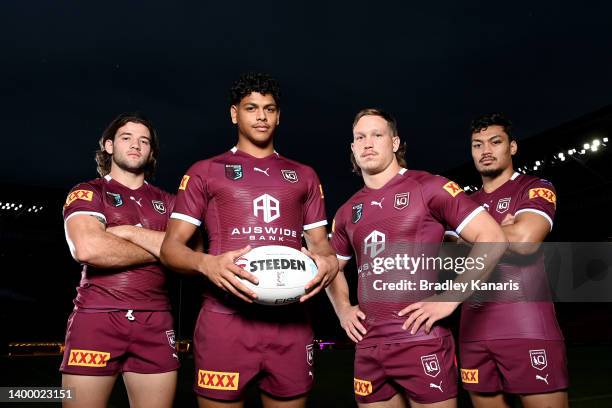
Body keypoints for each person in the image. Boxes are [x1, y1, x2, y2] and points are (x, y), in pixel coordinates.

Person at [160, 72, 338, 408]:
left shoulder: (304, 175)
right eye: (251, 108)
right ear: (234, 114)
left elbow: (320, 245)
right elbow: (171, 249)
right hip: (225, 322)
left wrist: (327, 260)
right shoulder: (205, 171)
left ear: (279, 115)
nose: (261, 116)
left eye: (269, 109)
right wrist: (206, 263)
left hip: (291, 324)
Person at [326, 108, 507, 407]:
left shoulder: (429, 187)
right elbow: (333, 269)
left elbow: (493, 238)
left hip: (421, 338)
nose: (367, 143)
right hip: (369, 345)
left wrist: (450, 298)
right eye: (360, 137)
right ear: (353, 148)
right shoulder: (346, 211)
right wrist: (343, 309)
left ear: (395, 143)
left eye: (377, 135)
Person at [61, 113, 179, 408]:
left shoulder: (170, 202)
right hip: (97, 318)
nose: (136, 145)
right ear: (110, 146)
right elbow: (89, 248)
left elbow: (192, 253)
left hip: (156, 319)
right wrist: (164, 248)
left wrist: (126, 232)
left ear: (151, 151)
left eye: (144, 140)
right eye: (127, 138)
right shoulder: (89, 191)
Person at [455, 113, 568, 408]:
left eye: (495, 142)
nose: (486, 151)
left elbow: (525, 240)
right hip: (473, 332)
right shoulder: (463, 204)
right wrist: (501, 231)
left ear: (512, 147)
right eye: (477, 145)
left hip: (526, 328)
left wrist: (470, 238)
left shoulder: (533, 187)